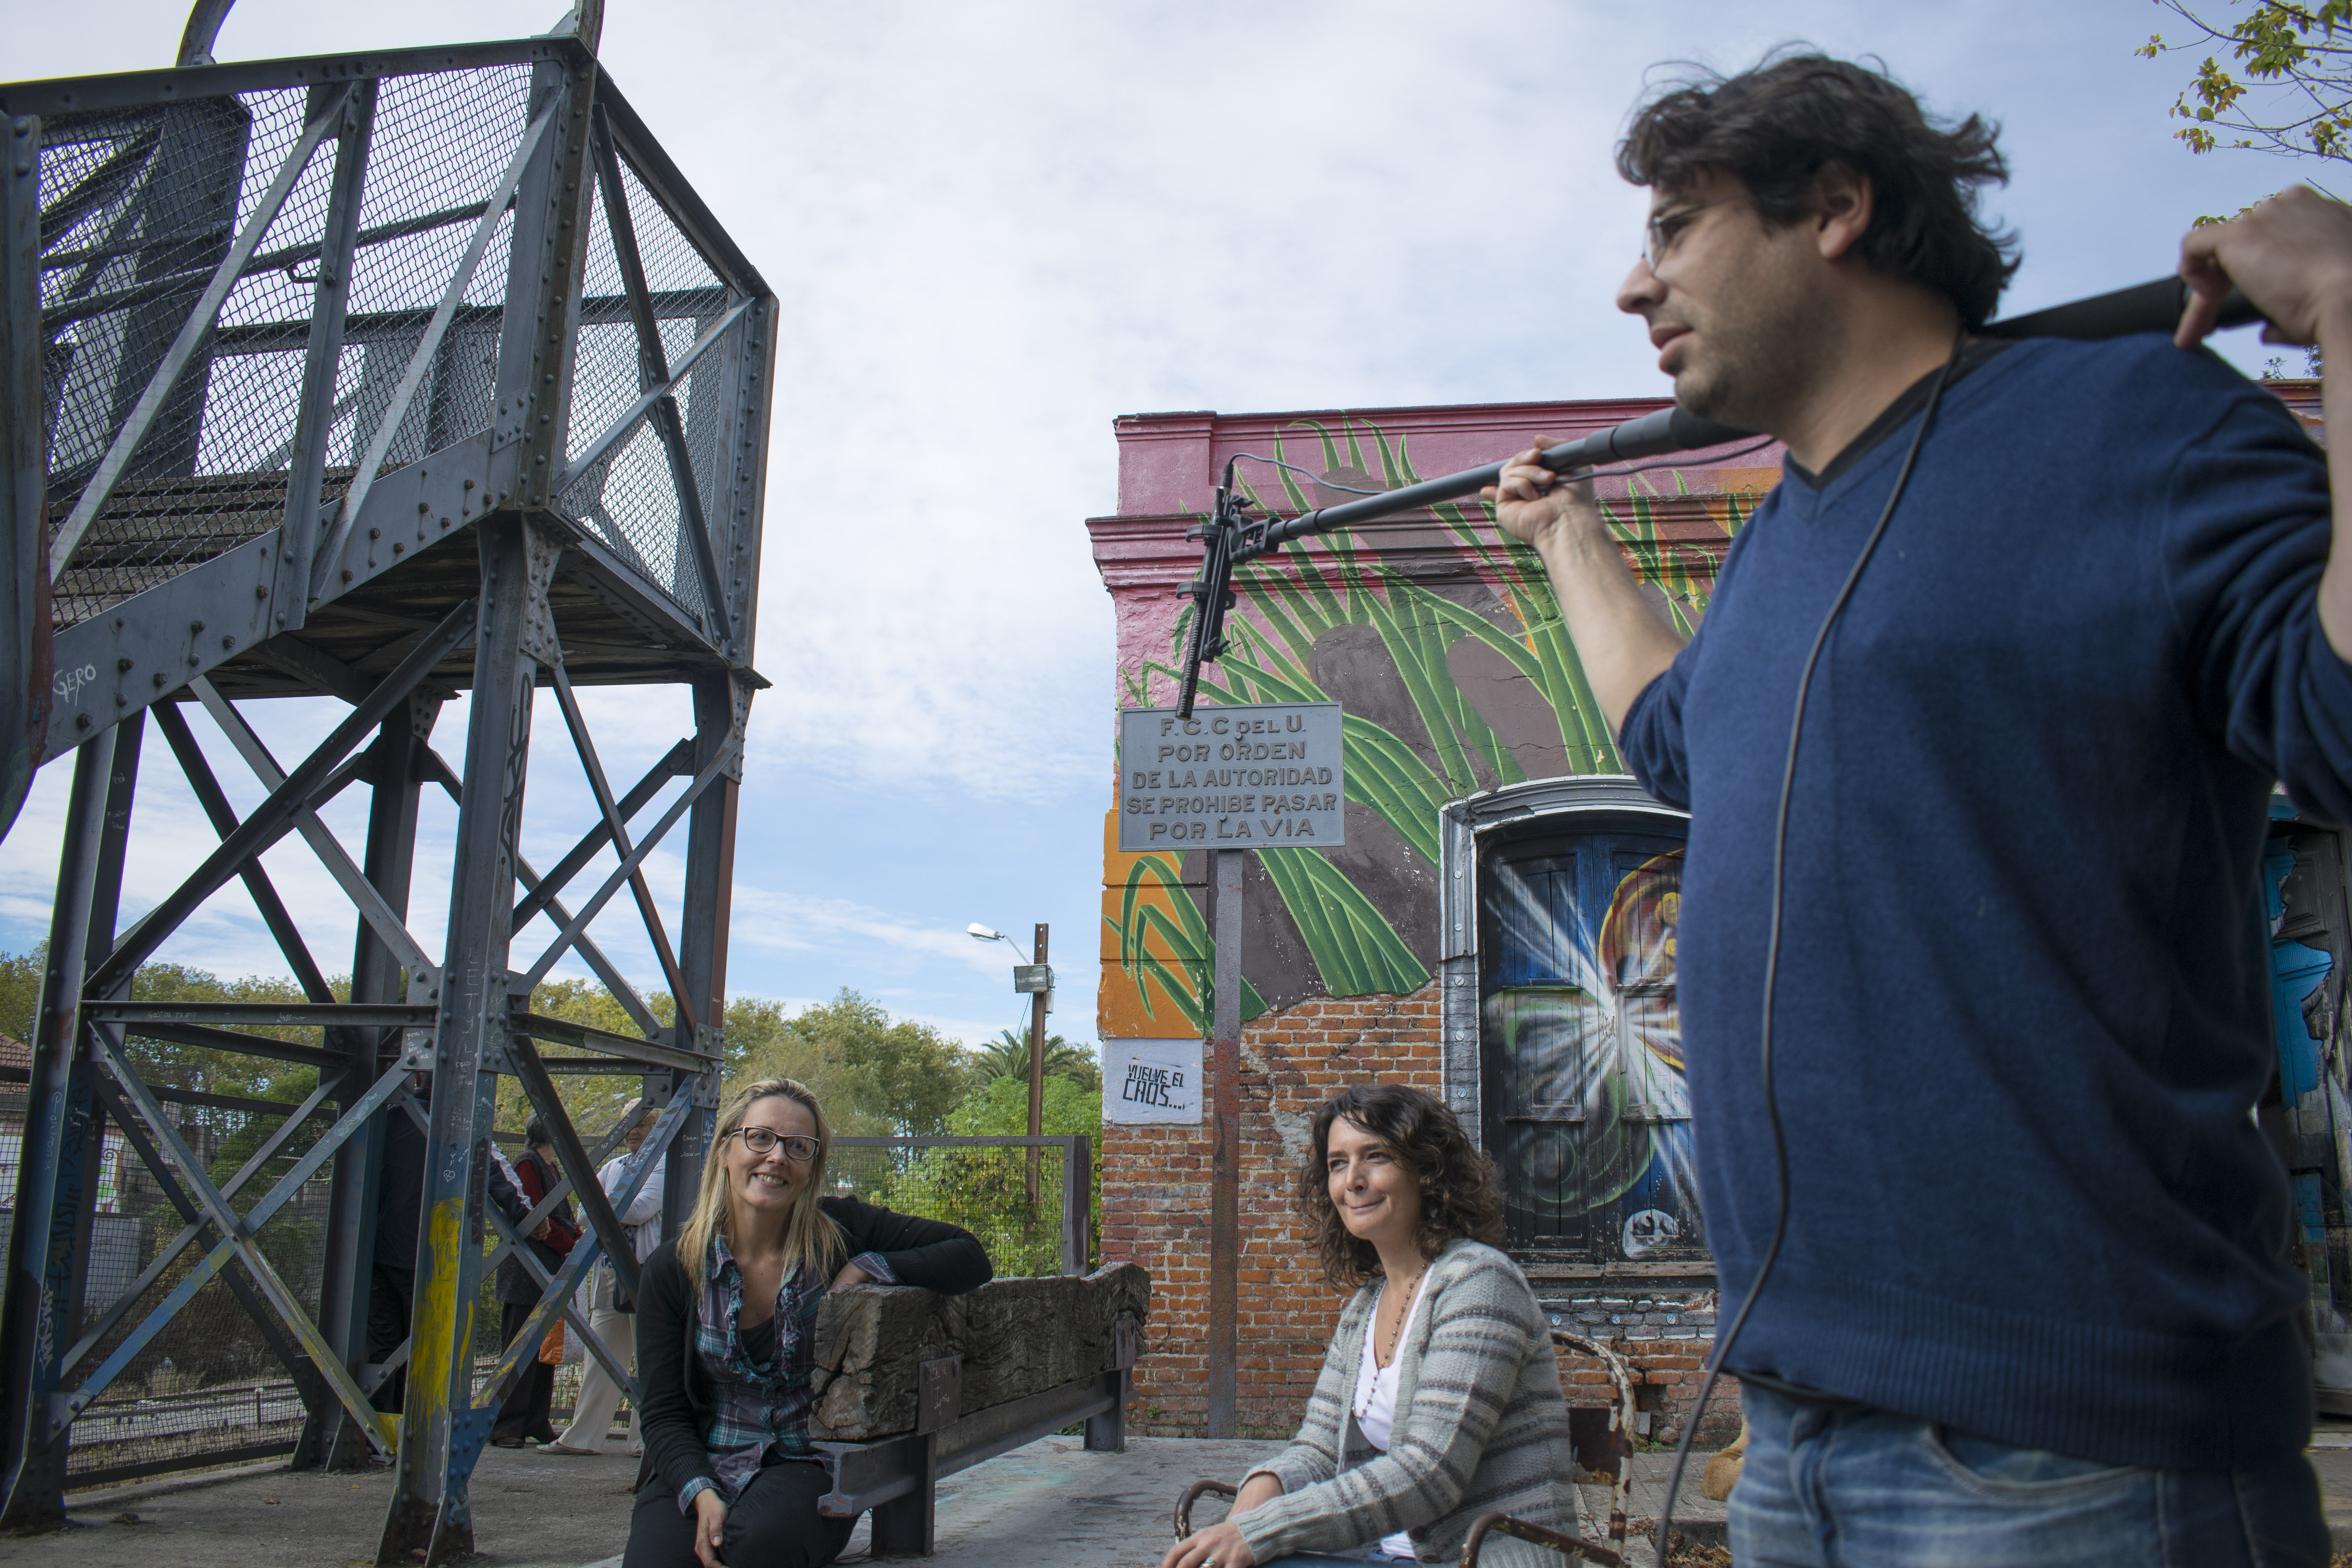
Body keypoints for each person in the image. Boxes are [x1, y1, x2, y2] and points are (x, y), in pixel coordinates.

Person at [1480, 51, 2352, 1566]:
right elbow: (1674, 740)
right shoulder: (1769, 555)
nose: (1634, 287)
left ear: (1830, 206)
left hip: (2073, 1455)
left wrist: (2346, 307)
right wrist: (1566, 535)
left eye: (1673, 228)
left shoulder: (2136, 421)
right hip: (1790, 1442)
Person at [1162, 1083, 1574, 1568]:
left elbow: (1429, 1472)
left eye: (1375, 1156)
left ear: (1426, 1170)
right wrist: (1259, 1493)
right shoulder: (1366, 1307)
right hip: (1377, 1556)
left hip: (1484, 1556)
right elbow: (1318, 1448)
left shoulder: (1479, 1283)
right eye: (1338, 1163)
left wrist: (1266, 1529)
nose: (1352, 1180)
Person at [623, 1077, 992, 1568]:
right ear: (725, 1150)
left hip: (807, 1462)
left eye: (798, 1146)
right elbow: (664, 1412)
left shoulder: (841, 1232)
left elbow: (970, 1255)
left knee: (753, 1545)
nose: (777, 1156)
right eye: (761, 1138)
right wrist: (701, 1491)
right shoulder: (674, 1268)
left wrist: (870, 1266)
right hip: (705, 1457)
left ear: (812, 1166)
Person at [545, 1106, 668, 1456]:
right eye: (629, 1124)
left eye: (643, 1124)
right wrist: (610, 1207)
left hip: (645, 1271)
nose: (634, 1131)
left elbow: (642, 1209)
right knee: (600, 1354)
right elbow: (584, 1215)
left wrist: (604, 1205)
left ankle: (645, 1440)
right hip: (608, 1270)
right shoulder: (614, 1166)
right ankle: (582, 1437)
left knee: (649, 1356)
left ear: (657, 1128)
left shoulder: (664, 1163)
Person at [491, 1116, 581, 1448]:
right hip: (528, 1272)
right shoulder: (529, 1164)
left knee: (545, 1350)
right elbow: (535, 1218)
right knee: (519, 1348)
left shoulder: (549, 1167)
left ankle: (535, 1419)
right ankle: (506, 1425)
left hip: (548, 1270)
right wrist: (573, 1245)